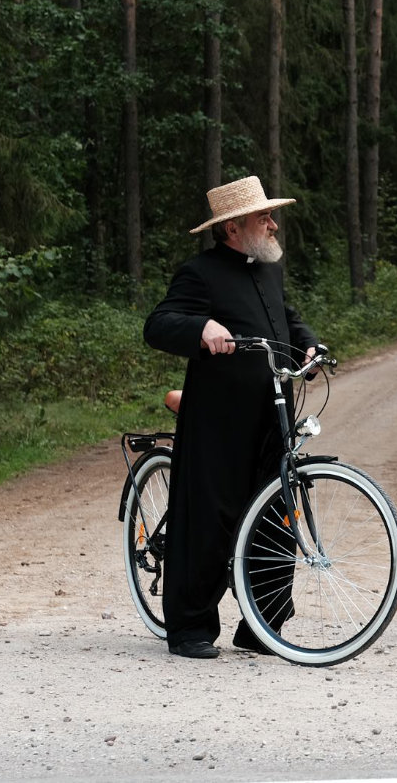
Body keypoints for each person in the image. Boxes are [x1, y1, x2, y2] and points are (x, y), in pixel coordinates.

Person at [143, 176, 318, 660]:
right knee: (209, 518)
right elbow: (158, 325)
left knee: (278, 512)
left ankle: (262, 624)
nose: (273, 223)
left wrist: (308, 342)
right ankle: (190, 628)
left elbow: (287, 316)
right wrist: (201, 327)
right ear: (235, 227)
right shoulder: (198, 274)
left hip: (273, 412)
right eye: (264, 217)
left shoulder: (268, 270)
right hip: (218, 419)